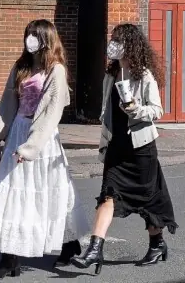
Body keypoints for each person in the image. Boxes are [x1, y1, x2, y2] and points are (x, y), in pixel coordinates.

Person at [0, 19, 91, 280]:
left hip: (41, 139)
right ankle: (9, 257)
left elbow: (52, 113)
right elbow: (9, 103)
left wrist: (30, 148)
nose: (29, 39)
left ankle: (68, 243)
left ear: (46, 39)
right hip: (18, 131)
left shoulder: (56, 70)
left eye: (35, 35)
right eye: (27, 34)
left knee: (48, 192)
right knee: (11, 195)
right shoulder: (20, 66)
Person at [72, 23, 177, 275]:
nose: (113, 44)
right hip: (117, 146)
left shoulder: (144, 76)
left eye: (118, 40)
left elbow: (157, 110)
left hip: (141, 148)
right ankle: (95, 249)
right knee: (108, 194)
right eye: (112, 40)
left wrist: (136, 109)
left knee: (148, 199)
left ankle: (157, 244)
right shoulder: (111, 74)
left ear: (130, 45)